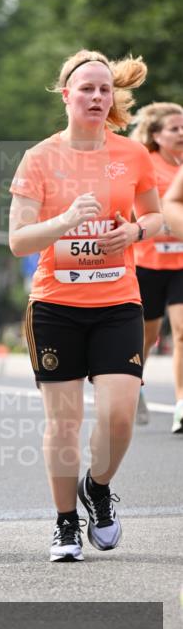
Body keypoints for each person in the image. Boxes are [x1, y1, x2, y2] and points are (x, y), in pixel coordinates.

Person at [9, 50, 162, 562]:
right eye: (87, 89)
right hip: (57, 305)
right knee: (66, 422)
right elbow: (18, 240)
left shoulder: (132, 155)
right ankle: (64, 523)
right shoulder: (39, 159)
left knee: (119, 417)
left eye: (105, 90)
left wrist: (134, 232)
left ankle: (97, 486)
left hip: (118, 301)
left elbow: (156, 218)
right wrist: (67, 220)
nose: (98, 97)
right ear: (66, 95)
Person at [129, 103, 183, 431]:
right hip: (148, 262)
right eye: (174, 129)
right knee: (147, 335)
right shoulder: (145, 164)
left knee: (182, 332)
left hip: (181, 263)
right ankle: (134, 384)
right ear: (156, 135)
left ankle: (181, 404)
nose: (181, 134)